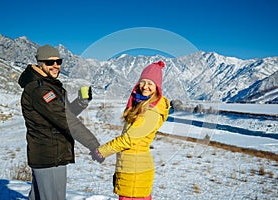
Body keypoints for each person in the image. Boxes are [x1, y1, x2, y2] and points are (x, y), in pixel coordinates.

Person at [18, 44, 100, 200]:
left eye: (58, 61)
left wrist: (81, 102)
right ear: (40, 63)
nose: (56, 66)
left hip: (51, 153)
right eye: (50, 62)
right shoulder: (39, 89)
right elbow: (66, 120)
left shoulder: (49, 85)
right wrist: (93, 144)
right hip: (49, 156)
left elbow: (63, 114)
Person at [90, 61, 170, 200]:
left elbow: (129, 139)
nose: (145, 86)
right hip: (130, 167)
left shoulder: (152, 110)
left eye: (150, 83)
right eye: (143, 82)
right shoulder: (141, 104)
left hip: (136, 170)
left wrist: (102, 151)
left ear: (157, 87)